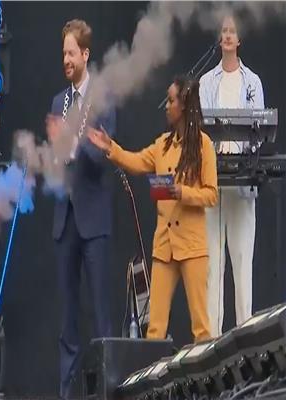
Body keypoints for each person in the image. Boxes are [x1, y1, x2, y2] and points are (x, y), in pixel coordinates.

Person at [87, 76, 218, 343]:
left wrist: (182, 192)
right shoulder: (163, 144)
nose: (166, 106)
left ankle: (205, 371)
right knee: (155, 329)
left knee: (201, 328)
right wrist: (111, 147)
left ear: (184, 105)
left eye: (170, 100)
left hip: (192, 247)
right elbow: (136, 162)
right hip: (164, 246)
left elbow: (211, 194)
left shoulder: (203, 144)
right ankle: (153, 372)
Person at [45, 19, 116, 400]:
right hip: (65, 219)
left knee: (101, 311)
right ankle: (67, 393)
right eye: (63, 54)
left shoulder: (103, 97)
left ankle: (107, 390)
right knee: (67, 317)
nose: (65, 59)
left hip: (94, 217)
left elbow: (103, 155)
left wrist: (72, 143)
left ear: (86, 54)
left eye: (71, 53)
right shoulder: (59, 101)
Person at [199, 14, 264, 337]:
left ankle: (245, 340)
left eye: (232, 31)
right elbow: (201, 130)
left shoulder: (253, 82)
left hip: (242, 185)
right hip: (213, 182)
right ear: (219, 38)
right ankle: (213, 343)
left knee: (242, 264)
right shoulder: (206, 82)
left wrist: (240, 156)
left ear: (239, 39)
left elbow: (260, 130)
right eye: (223, 30)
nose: (227, 35)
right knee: (213, 267)